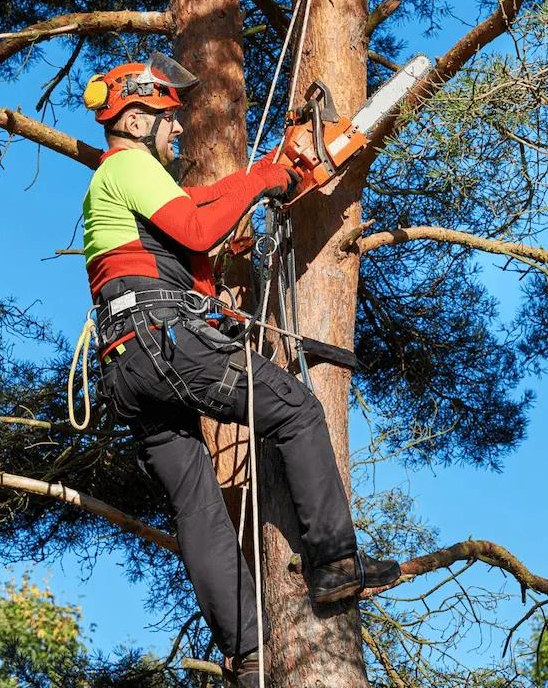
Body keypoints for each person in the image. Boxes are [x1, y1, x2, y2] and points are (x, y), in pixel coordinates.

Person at [81, 52, 401, 687]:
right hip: (161, 340)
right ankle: (334, 563)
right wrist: (262, 178)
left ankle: (248, 656)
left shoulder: (126, 189)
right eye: (170, 119)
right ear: (138, 118)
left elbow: (197, 211)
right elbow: (199, 227)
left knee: (197, 505)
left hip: (126, 365)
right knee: (297, 410)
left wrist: (265, 180)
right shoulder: (130, 167)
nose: (178, 131)